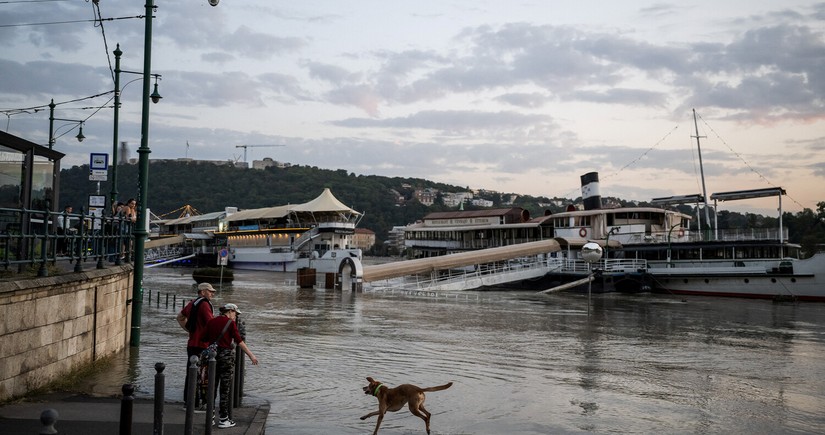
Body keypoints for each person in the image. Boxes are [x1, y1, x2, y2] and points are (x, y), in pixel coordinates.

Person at [204, 303, 259, 429]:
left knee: (212, 386)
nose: (236, 317)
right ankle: (223, 419)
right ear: (229, 311)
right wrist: (251, 355)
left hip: (212, 357)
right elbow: (239, 341)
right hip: (226, 357)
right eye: (235, 313)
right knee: (225, 389)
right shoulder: (230, 324)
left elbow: (204, 338)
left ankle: (210, 417)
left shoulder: (211, 322)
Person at [176, 282, 216, 409]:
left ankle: (188, 401)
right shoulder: (204, 305)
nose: (212, 294)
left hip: (192, 343)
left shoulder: (192, 303)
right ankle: (200, 403)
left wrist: (189, 330)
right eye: (210, 291)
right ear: (202, 292)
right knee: (203, 374)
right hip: (202, 345)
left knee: (191, 372)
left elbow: (180, 317)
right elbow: (211, 324)